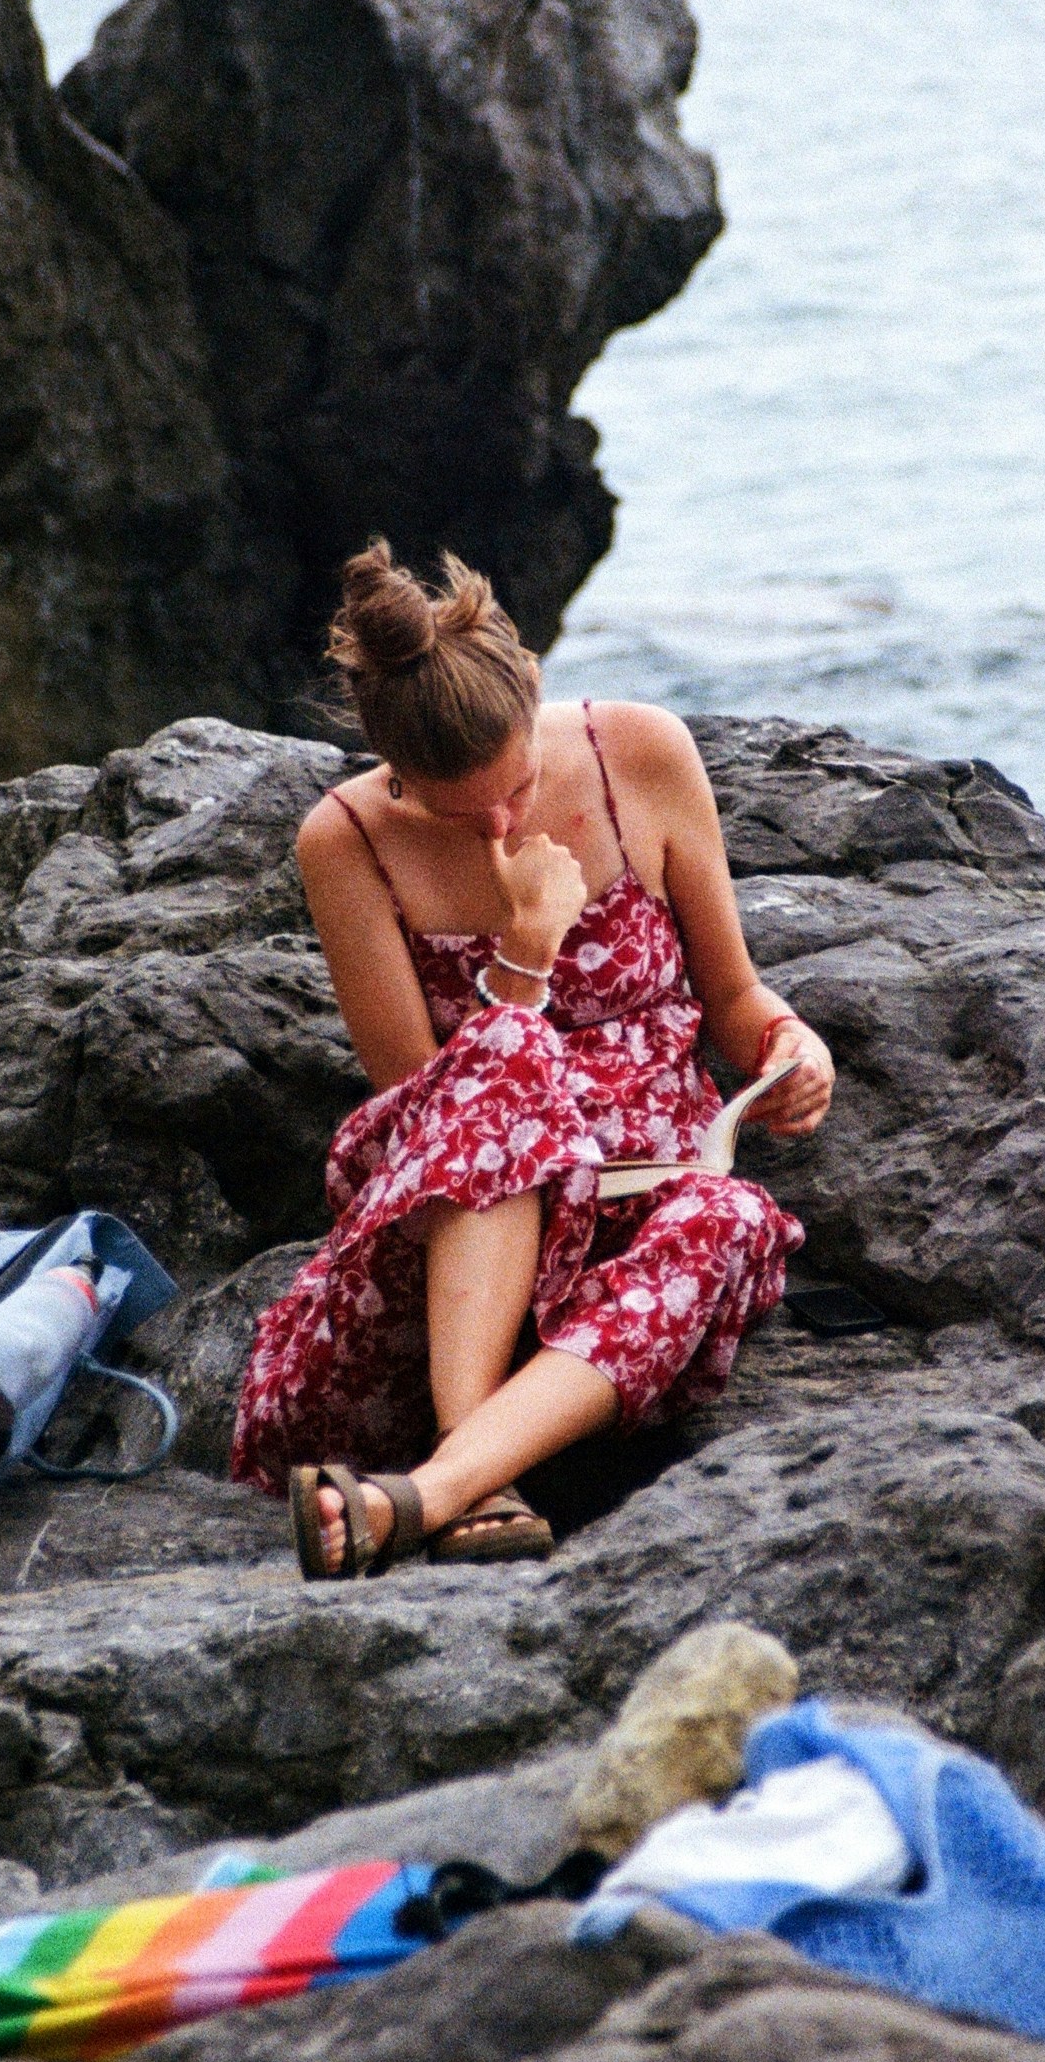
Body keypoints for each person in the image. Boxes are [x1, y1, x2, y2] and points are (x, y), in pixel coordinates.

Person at [230, 540, 835, 1577]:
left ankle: (428, 1491)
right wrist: (527, 951)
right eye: (457, 814)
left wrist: (789, 1043)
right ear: (392, 775)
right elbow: (424, 1106)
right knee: (503, 1109)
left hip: (636, 1219)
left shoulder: (636, 753)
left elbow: (732, 1000)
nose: (501, 827)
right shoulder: (343, 842)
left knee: (729, 1220)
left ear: (536, 691)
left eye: (513, 787)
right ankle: (476, 1475)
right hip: (468, 1237)